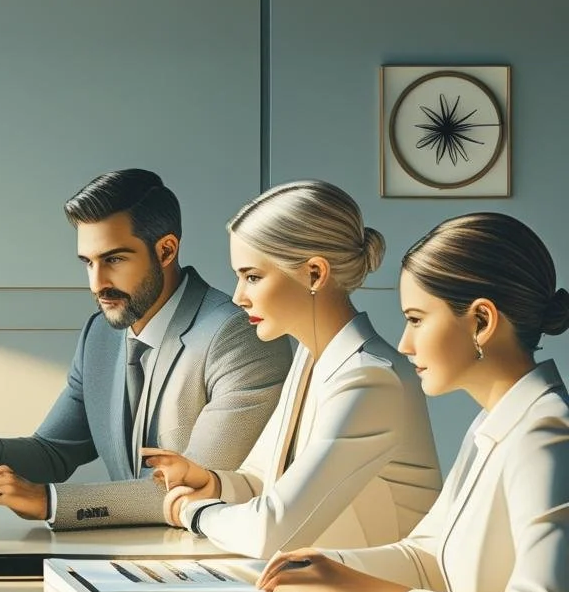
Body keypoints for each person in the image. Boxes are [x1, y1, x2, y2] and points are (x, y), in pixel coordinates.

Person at [261, 212, 569, 592]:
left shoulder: (546, 437)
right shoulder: (498, 421)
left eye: (416, 320)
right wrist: (327, 568)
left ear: (482, 321)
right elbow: (428, 557)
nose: (404, 343)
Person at [0, 169, 290, 527]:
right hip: (124, 553)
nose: (98, 284)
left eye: (114, 260)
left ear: (165, 250)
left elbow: (193, 485)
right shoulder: (100, 334)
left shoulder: (240, 336)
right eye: (88, 263)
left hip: (212, 560)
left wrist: (48, 501)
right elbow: (53, 452)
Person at [143, 181, 441, 557]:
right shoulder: (311, 361)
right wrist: (212, 484)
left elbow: (273, 532)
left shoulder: (369, 380)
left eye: (252, 276)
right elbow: (263, 482)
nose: (238, 296)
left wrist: (194, 512)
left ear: (314, 274)